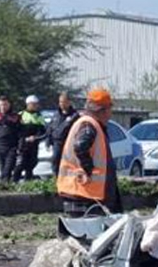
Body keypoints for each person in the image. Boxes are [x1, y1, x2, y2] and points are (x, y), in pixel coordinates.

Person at [57, 88, 123, 218]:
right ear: (102, 110)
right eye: (109, 109)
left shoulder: (89, 123)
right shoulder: (89, 124)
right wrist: (88, 169)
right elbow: (80, 146)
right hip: (85, 193)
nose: (110, 114)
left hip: (85, 193)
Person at [0, 95, 22, 183]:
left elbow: (20, 133)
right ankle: (5, 185)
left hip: (11, 146)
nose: (3, 107)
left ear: (9, 105)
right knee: (2, 168)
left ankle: (5, 183)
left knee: (8, 167)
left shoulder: (15, 117)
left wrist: (20, 146)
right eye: (1, 105)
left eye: (5, 105)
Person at [16, 95, 47, 182]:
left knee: (32, 163)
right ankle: (14, 182)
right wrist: (23, 138)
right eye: (34, 104)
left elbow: (43, 131)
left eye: (36, 104)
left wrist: (36, 137)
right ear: (28, 104)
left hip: (34, 144)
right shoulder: (20, 115)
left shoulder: (39, 116)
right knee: (20, 164)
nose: (36, 106)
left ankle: (28, 182)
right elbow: (16, 130)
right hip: (22, 144)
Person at [47, 92, 80, 173]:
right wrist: (48, 140)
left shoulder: (74, 115)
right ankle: (56, 178)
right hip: (57, 142)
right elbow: (50, 128)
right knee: (55, 160)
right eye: (60, 102)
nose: (61, 104)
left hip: (68, 142)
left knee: (68, 163)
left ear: (69, 102)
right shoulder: (56, 114)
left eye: (63, 102)